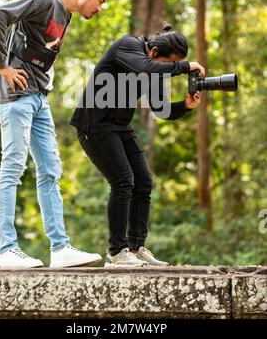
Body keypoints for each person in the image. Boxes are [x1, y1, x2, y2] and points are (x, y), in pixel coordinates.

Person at [0, 0, 113, 268]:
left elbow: (39, 51)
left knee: (51, 171)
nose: (100, 8)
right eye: (101, 1)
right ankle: (6, 250)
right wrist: (1, 65)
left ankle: (60, 249)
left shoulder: (65, 15)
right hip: (16, 96)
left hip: (38, 99)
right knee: (13, 166)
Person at [70, 24, 204, 267]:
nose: (165, 71)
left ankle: (135, 247)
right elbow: (146, 67)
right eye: (167, 64)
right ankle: (116, 252)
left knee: (143, 181)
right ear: (153, 52)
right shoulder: (128, 45)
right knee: (123, 181)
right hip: (95, 126)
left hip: (120, 127)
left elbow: (161, 110)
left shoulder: (153, 71)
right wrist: (186, 67)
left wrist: (185, 106)